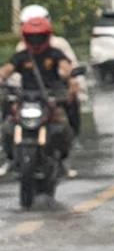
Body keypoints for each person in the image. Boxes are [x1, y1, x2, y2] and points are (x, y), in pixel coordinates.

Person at [0, 15, 77, 171]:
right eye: (32, 37)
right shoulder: (21, 56)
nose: (36, 41)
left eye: (39, 37)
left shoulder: (54, 53)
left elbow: (65, 67)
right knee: (8, 126)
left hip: (50, 97)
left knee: (64, 122)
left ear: (47, 36)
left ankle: (66, 152)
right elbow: (7, 69)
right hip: (27, 97)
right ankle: (10, 157)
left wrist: (68, 78)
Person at [13, 4, 82, 137]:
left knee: (72, 103)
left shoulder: (59, 45)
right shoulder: (21, 48)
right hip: (29, 92)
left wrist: (70, 81)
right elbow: (13, 72)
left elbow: (71, 68)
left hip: (55, 90)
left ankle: (73, 135)